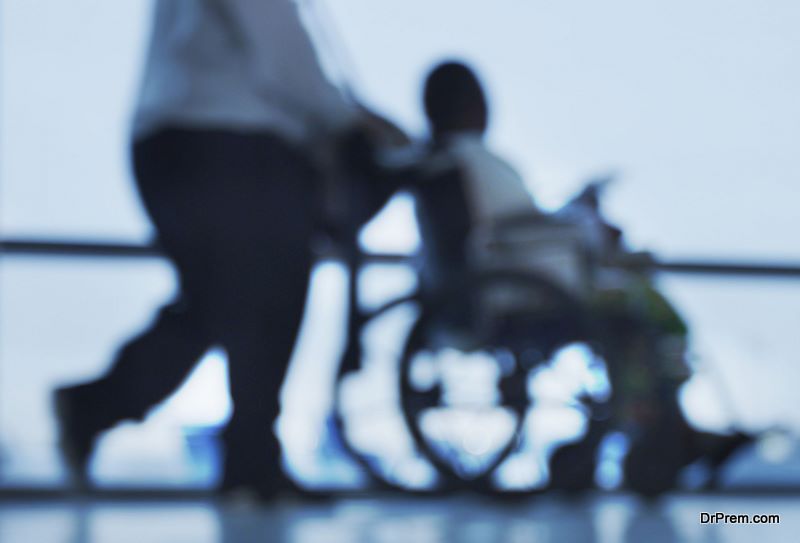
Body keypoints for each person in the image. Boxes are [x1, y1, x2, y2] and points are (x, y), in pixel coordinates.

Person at [53, 0, 376, 500]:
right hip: (228, 144)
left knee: (220, 304)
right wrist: (350, 121)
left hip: (177, 140)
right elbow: (283, 54)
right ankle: (246, 459)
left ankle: (105, 411)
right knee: (267, 298)